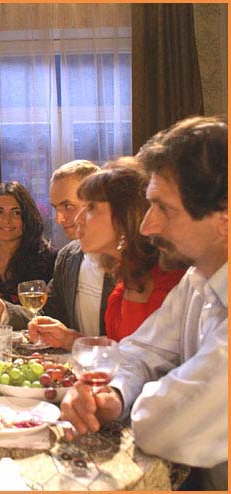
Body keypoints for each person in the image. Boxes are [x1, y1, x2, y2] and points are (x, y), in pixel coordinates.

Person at [60, 116, 227, 490]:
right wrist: (111, 394)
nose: (147, 226)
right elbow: (140, 352)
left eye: (164, 209)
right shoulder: (197, 279)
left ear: (224, 219)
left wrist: (134, 397)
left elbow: (161, 427)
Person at [29, 161, 186, 349]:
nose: (77, 218)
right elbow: (122, 353)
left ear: (124, 215)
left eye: (91, 208)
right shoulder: (124, 278)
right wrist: (70, 340)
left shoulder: (172, 278)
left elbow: (156, 359)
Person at [0, 182, 56, 328]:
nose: (6, 220)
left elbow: (53, 314)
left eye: (15, 213)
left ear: (27, 218)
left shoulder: (50, 258)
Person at [41, 160, 114, 337]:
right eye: (56, 208)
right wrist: (4, 311)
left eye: (68, 206)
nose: (59, 219)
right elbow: (47, 314)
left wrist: (75, 342)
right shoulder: (68, 256)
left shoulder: (132, 260)